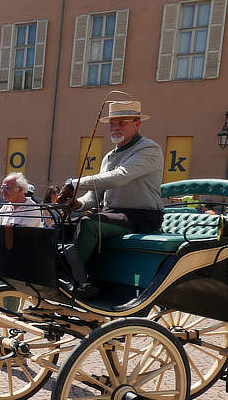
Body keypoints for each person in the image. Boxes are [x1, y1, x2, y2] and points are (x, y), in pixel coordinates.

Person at [58, 99, 164, 297]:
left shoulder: (148, 149)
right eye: (113, 123)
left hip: (142, 217)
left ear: (137, 123)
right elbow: (96, 195)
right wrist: (78, 203)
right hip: (114, 215)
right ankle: (60, 274)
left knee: (89, 224)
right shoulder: (109, 157)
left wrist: (74, 183)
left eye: (122, 122)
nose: (115, 127)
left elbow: (120, 177)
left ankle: (76, 281)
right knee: (64, 223)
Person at [0, 172, 44, 294]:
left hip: (17, 264)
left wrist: (1, 230)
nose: (3, 191)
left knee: (9, 303)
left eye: (7, 188)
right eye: (2, 187)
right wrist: (7, 230)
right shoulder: (5, 207)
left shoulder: (33, 209)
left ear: (20, 189)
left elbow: (20, 236)